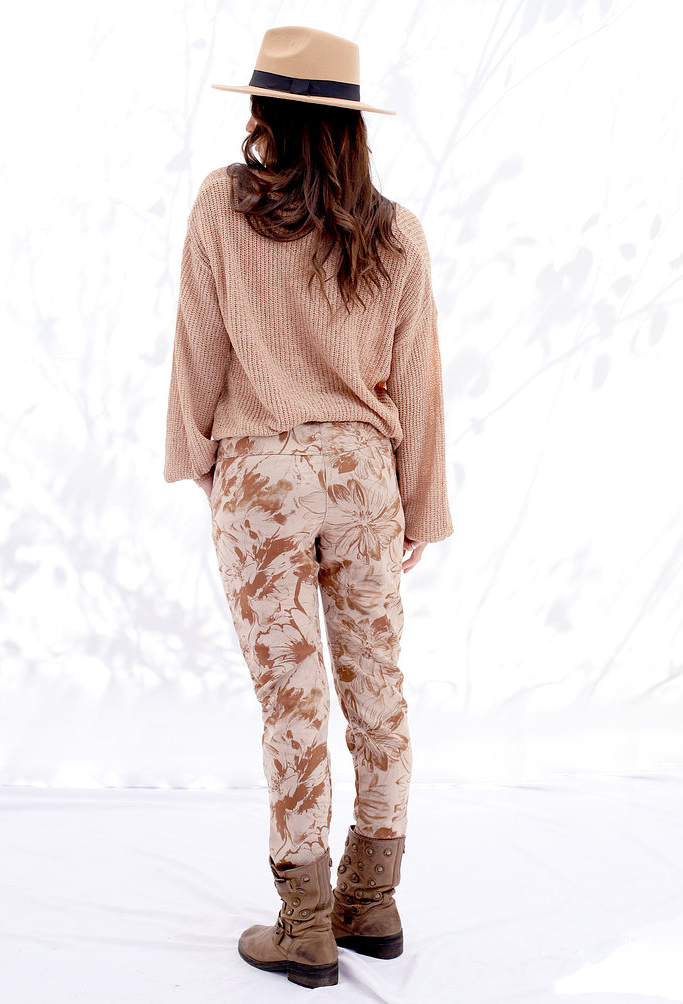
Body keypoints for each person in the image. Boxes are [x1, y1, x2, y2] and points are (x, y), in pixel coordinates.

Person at [163, 25, 453, 989]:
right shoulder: (396, 233)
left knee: (289, 700)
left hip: (261, 480)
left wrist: (202, 463)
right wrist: (420, 506)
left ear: (262, 113)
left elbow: (198, 349)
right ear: (352, 126)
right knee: (377, 689)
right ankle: (372, 902)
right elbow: (420, 383)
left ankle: (304, 925)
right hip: (365, 481)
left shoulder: (222, 205)